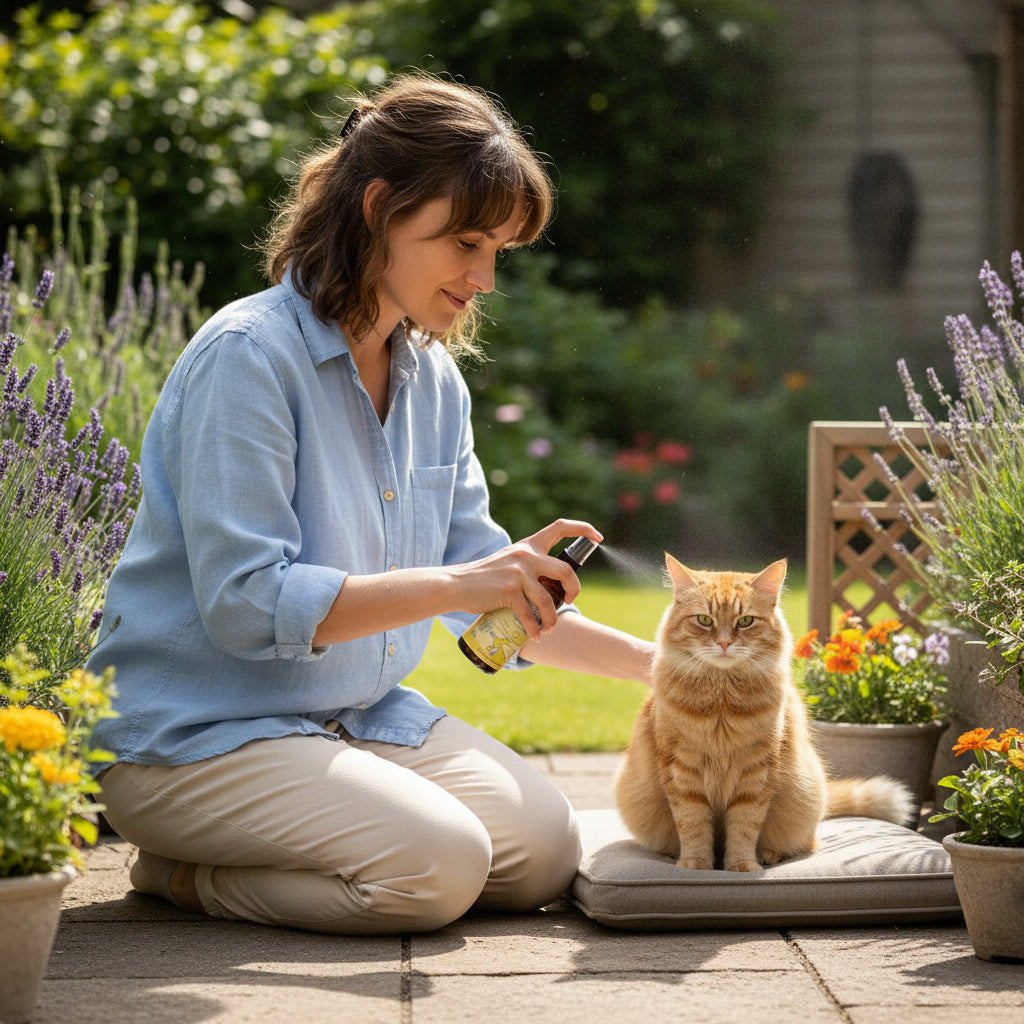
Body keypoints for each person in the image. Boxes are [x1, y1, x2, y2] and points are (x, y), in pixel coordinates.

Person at [88, 71, 654, 936]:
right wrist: (462, 583)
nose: (485, 278)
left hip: (354, 720)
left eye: (498, 249)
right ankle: (180, 874)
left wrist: (672, 669)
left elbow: (491, 602)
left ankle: (277, 847)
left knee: (542, 850)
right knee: (439, 869)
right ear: (379, 208)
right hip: (196, 737)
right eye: (465, 242)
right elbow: (246, 606)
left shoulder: (435, 384)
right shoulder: (249, 358)